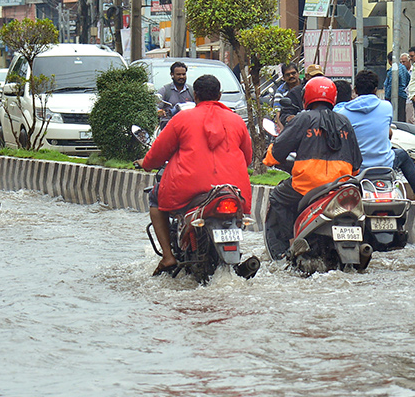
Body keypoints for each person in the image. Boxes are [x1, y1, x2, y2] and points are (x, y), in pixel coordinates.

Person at [138, 74, 253, 275]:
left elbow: (157, 155)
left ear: (195, 96)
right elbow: (248, 158)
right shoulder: (237, 121)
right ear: (219, 95)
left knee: (155, 199)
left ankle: (167, 257)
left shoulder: (181, 119)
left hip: (188, 190)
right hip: (234, 190)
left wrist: (145, 163)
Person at [263, 76, 363, 260]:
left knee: (277, 197)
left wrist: (268, 158)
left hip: (307, 187)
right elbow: (356, 166)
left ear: (306, 97)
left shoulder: (303, 119)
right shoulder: (345, 122)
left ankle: (287, 248)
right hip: (340, 187)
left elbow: (276, 153)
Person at [337, 69, 415, 206]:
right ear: (375, 90)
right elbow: (387, 133)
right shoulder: (386, 107)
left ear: (355, 90)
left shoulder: (343, 113)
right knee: (402, 154)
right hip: (385, 165)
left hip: (357, 169)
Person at [156, 61, 194, 126]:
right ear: (172, 74)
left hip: (189, 126)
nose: (181, 77)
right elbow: (156, 107)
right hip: (170, 126)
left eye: (183, 74)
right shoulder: (165, 90)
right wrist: (161, 112)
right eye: (178, 74)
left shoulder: (192, 91)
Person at [383, 52, 410, 119]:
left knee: (394, 118)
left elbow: (390, 85)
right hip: (402, 96)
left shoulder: (393, 70)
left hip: (394, 97)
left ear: (389, 61)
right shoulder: (403, 68)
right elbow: (408, 78)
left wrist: (387, 97)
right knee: (402, 118)